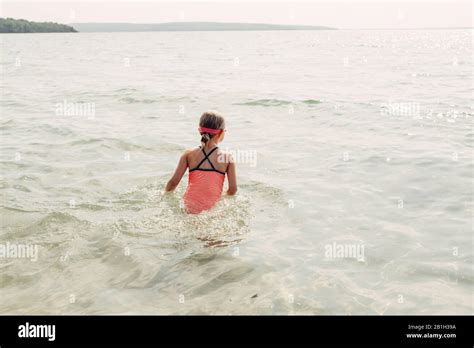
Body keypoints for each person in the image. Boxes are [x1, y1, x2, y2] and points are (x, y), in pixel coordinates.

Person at [165, 111, 237, 213]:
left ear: (199, 130)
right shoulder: (227, 158)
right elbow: (233, 190)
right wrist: (222, 196)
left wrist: (165, 193)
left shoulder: (188, 155)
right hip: (212, 209)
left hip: (188, 206)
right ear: (221, 132)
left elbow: (173, 182)